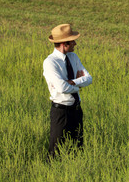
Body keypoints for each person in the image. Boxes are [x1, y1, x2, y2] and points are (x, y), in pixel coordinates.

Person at [43, 24, 92, 158]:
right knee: (55, 152)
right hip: (61, 113)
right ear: (65, 44)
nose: (75, 43)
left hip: (76, 111)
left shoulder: (74, 57)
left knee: (78, 150)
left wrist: (74, 82)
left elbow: (89, 78)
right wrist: (79, 86)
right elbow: (62, 88)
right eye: (72, 41)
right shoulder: (50, 62)